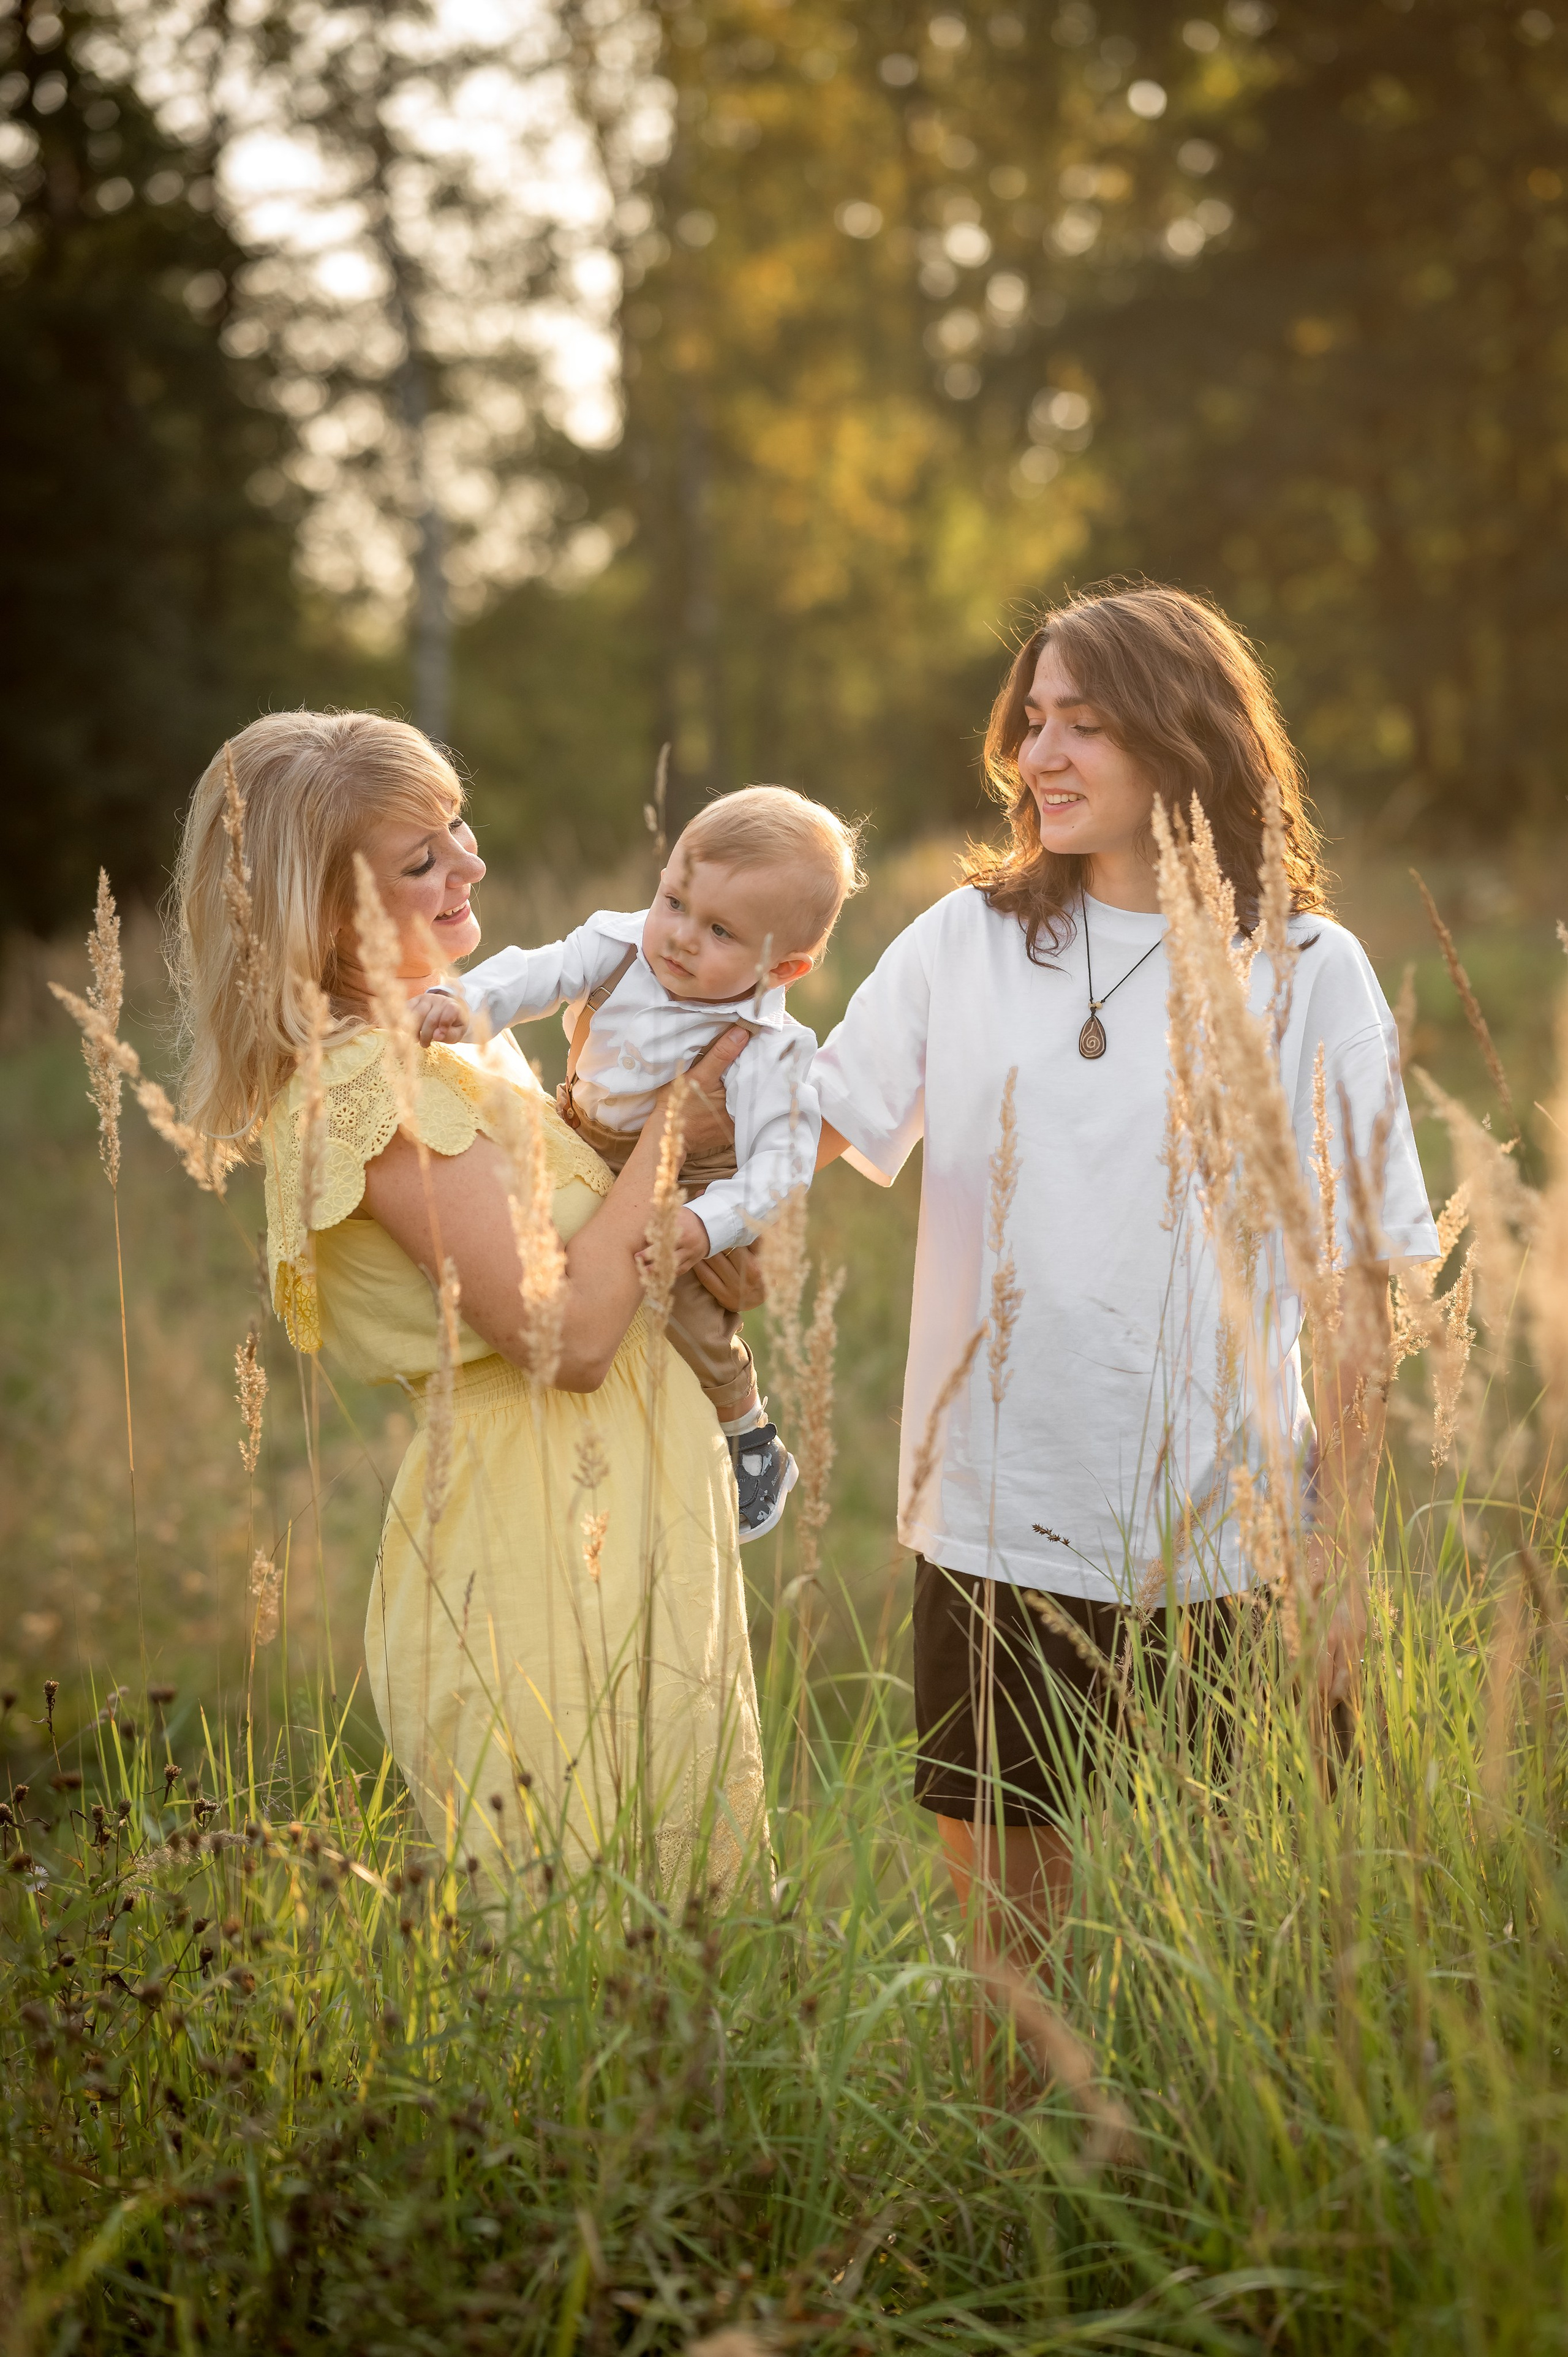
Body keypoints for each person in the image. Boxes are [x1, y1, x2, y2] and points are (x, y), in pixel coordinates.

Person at [810, 584, 1440, 1967]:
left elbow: (1351, 1283)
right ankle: (1003, 2174)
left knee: (1257, 1949)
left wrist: (1334, 1557)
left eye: (1082, 723)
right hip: (993, 1521)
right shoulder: (964, 940)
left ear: (1184, 737)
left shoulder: (1304, 967)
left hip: (1233, 1538)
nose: (1039, 755)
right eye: (1031, 721)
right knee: (1010, 1959)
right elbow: (809, 1117)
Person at [171, 709, 766, 1891]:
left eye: (460, 831)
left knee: (685, 1921)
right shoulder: (368, 1085)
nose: (470, 867)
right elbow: (572, 1337)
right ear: (328, 910)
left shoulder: (445, 1044)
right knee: (579, 1924)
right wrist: (668, 1138)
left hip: (620, 1503)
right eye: (422, 859)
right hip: (540, 1528)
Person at [412, 785, 864, 1543]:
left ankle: (746, 1431)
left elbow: (780, 1166)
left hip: (694, 1175)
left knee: (686, 1310)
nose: (680, 937)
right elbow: (536, 973)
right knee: (561, 1259)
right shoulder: (619, 947)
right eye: (674, 900)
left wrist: (704, 1222)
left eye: (720, 930)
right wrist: (462, 1002)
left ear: (784, 968)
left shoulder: (769, 1048)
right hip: (582, 1126)